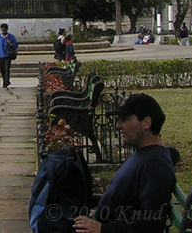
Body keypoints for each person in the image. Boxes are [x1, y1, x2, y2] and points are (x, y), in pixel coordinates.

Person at [73, 93, 176, 233]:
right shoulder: (143, 153)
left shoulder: (156, 165)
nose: (118, 126)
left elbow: (151, 225)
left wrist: (101, 229)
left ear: (146, 123)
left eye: (125, 120)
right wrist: (98, 213)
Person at [0, 23, 18, 89]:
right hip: (1, 55)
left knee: (7, 69)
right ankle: (5, 80)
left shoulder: (11, 36)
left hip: (8, 55)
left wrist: (10, 43)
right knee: (2, 69)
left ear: (6, 30)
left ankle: (6, 82)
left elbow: (16, 45)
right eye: (2, 30)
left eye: (4, 30)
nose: (3, 31)